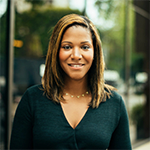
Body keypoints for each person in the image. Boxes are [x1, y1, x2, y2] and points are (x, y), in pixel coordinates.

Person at [10, 14, 132, 150]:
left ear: (95, 52)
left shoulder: (114, 103)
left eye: (85, 47)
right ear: (56, 51)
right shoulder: (32, 99)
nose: (76, 55)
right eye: (67, 47)